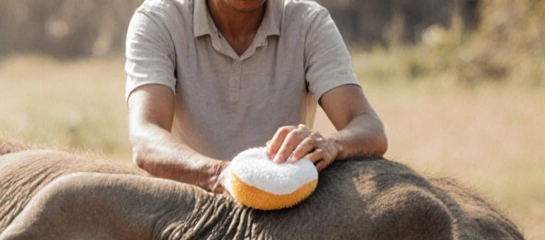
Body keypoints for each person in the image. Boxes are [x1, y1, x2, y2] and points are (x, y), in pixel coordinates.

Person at [125, 0, 388, 193]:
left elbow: (368, 125)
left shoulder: (309, 22)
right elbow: (145, 136)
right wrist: (220, 175)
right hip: (190, 210)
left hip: (284, 210)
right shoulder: (158, 20)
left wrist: (331, 143)